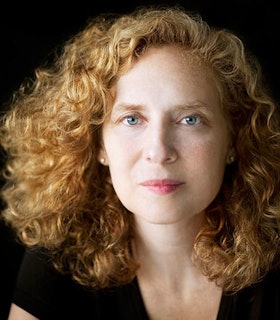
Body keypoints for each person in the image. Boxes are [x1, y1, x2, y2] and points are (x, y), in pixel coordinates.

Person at [1, 4, 280, 320]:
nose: (159, 151)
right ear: (97, 145)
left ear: (233, 140)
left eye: (190, 119)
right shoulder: (58, 261)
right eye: (132, 119)